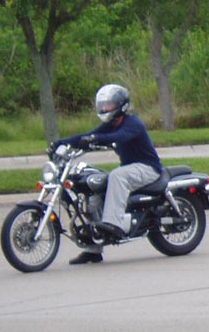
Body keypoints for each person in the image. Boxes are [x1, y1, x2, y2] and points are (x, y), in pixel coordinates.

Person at [54, 83, 162, 265]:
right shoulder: (110, 124)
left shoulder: (132, 123)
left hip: (147, 168)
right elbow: (88, 135)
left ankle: (114, 224)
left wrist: (95, 139)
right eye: (103, 105)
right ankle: (93, 249)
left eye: (109, 104)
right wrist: (61, 143)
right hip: (131, 169)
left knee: (117, 176)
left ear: (121, 105)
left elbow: (119, 137)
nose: (105, 108)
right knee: (94, 193)